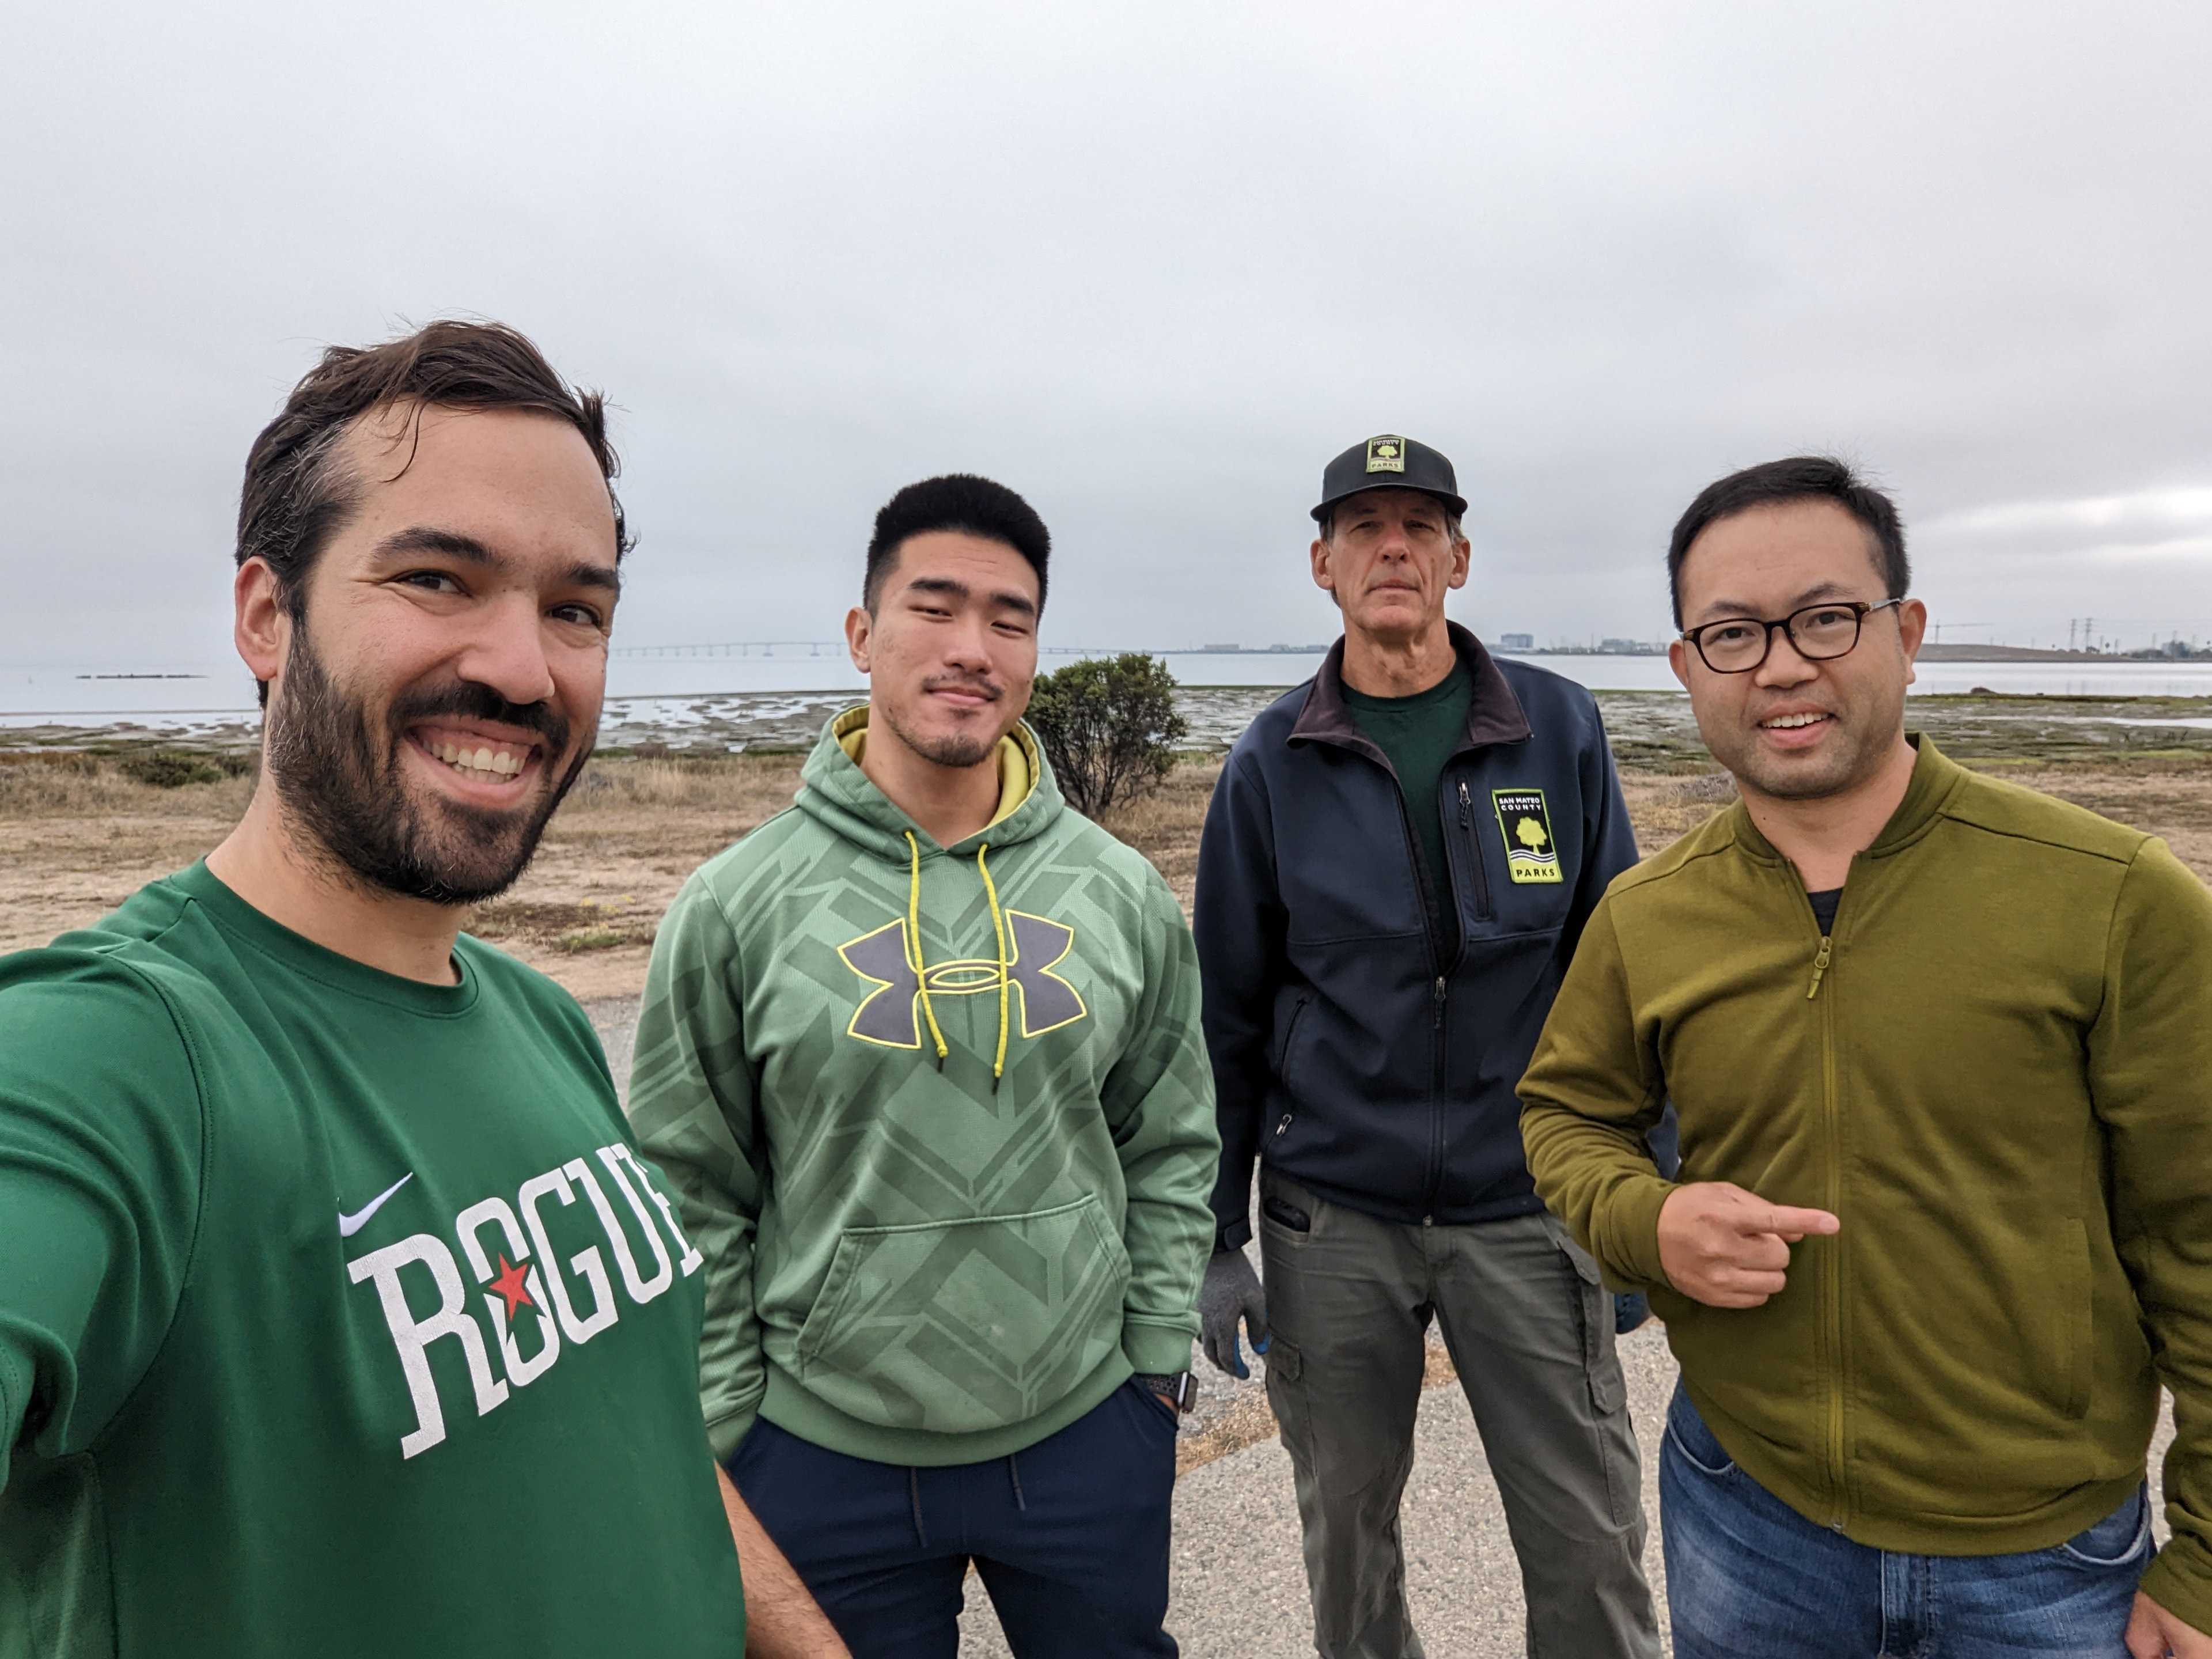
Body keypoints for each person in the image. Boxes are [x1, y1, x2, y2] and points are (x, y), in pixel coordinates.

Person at [0, 321, 844, 1655]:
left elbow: (623, 1420)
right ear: (266, 615)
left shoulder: (543, 1022)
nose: (523, 669)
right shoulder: (115, 1057)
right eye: (441, 579)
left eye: (576, 610)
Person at [1520, 454, 2212, 1658]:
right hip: (1746, 1519)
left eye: (1827, 618)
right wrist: (1648, 1222)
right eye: (1732, 634)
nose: (1783, 663)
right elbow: (1565, 1117)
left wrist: (2206, 1557)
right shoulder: (1648, 914)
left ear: (1908, 633)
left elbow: (2202, 1232)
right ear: (1687, 671)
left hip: (2043, 1563)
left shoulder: (2112, 897)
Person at [627, 474, 1219, 1658]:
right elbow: (684, 1185)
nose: (972, 649)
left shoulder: (1118, 891)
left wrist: (1152, 1363)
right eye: (934, 608)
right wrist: (730, 1422)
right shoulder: (734, 907)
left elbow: (1172, 1136)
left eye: (1009, 619)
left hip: (1084, 1430)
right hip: (820, 1451)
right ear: (861, 634)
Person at [1193, 435, 1661, 1658]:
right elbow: (1227, 1016)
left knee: (1591, 1537)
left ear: (1458, 558)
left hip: (1531, 1203)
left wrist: (1640, 1203)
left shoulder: (1556, 730)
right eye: (1363, 528)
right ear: (1321, 564)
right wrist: (1217, 1235)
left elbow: (1626, 974)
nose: (1390, 548)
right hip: (1331, 1218)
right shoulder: (1269, 762)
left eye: (1417, 526)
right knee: (1347, 1543)